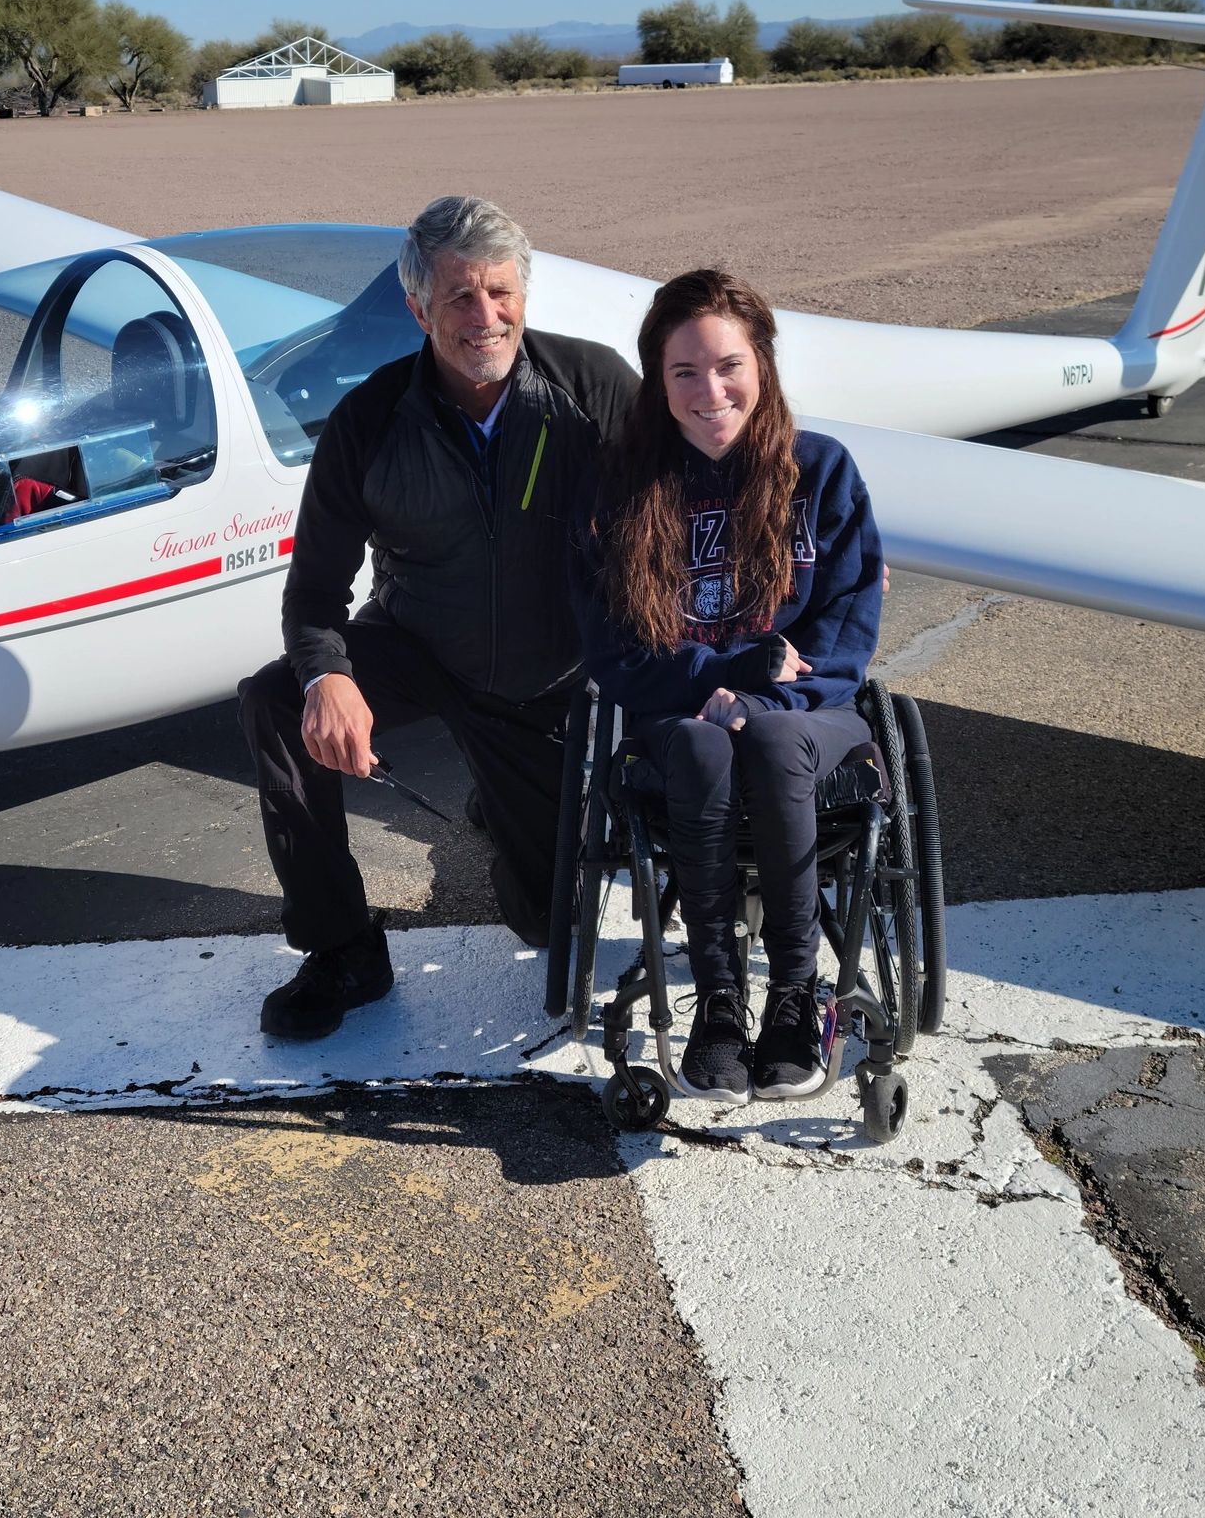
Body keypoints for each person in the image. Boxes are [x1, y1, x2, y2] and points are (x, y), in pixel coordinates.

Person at [238, 196, 638, 1039]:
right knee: (277, 699)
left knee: (546, 925)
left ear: (524, 295)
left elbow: (711, 483)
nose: (484, 317)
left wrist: (796, 537)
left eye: (500, 292)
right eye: (458, 297)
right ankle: (342, 947)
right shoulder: (369, 420)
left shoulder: (593, 386)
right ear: (417, 309)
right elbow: (313, 592)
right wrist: (329, 677)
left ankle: (508, 813)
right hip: (422, 646)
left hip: (556, 681)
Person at [572, 268, 882, 1105]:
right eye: (684, 372)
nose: (711, 391)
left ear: (763, 366)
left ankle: (792, 993)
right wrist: (721, 676)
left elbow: (844, 641)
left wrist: (760, 699)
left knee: (772, 738)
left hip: (809, 718)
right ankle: (717, 1001)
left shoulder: (820, 473)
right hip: (677, 721)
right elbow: (612, 654)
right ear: (658, 381)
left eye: (729, 365)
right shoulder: (621, 489)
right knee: (705, 747)